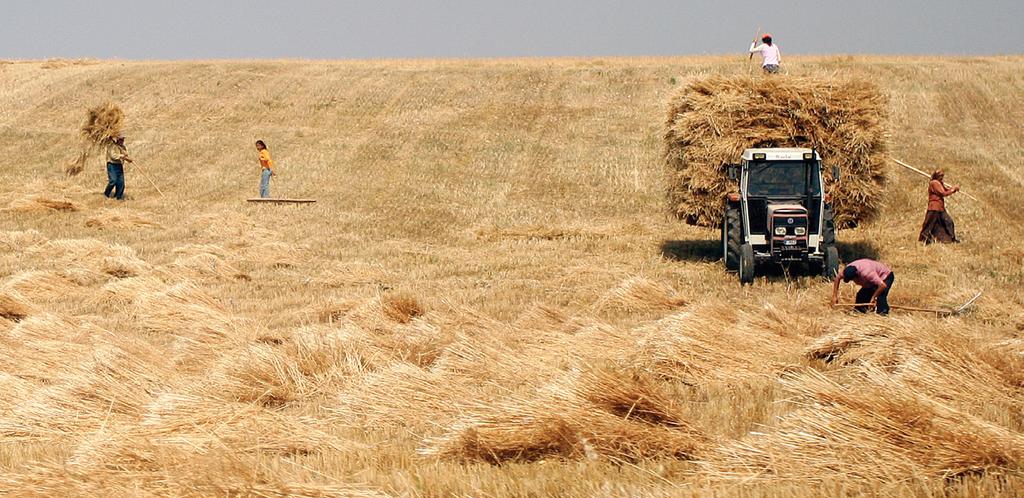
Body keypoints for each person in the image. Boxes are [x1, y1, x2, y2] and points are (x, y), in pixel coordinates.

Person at [918, 169, 960, 243]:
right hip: (934, 207)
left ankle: (951, 239)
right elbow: (943, 193)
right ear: (936, 176)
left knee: (948, 222)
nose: (942, 177)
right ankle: (924, 240)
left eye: (942, 176)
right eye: (940, 176)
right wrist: (953, 189)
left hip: (940, 208)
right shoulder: (934, 183)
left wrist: (953, 189)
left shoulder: (939, 183)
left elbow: (946, 190)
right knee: (929, 224)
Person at [103, 134, 132, 200]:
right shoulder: (112, 146)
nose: (122, 141)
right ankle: (106, 194)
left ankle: (118, 198)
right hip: (112, 165)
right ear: (117, 140)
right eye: (121, 139)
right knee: (113, 180)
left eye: (123, 140)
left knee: (121, 183)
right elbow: (113, 156)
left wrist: (128, 159)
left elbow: (125, 155)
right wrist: (122, 156)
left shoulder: (123, 147)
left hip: (119, 165)